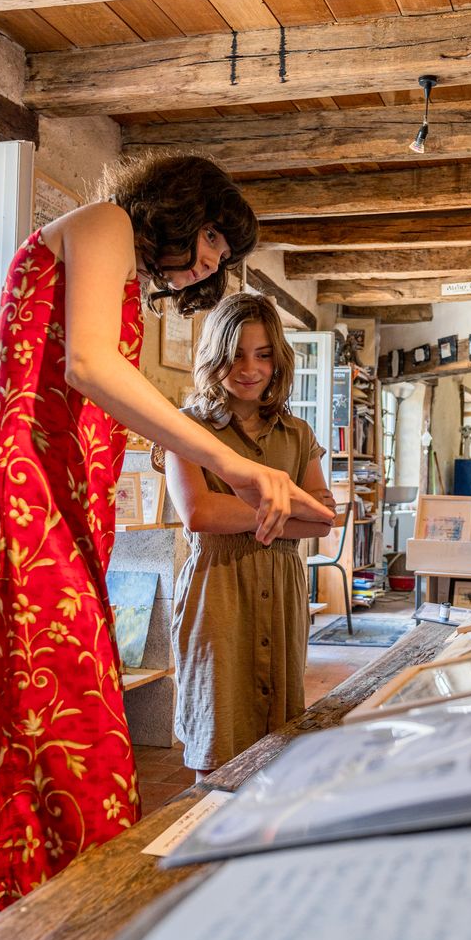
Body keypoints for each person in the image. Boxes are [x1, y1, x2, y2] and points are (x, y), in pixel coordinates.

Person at [0, 156, 332, 940]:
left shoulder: (114, 260)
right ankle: (70, 928)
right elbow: (87, 364)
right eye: (208, 242)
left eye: (218, 260)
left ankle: (21, 927)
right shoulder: (105, 224)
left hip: (49, 503)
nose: (204, 264)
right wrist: (230, 460)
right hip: (19, 499)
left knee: (19, 729)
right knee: (77, 731)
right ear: (182, 205)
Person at [163, 292, 336, 779]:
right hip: (218, 589)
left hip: (282, 590)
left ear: (277, 361)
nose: (249, 368)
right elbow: (199, 512)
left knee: (279, 743)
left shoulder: (297, 433)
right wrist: (283, 507)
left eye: (262, 355)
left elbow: (325, 516)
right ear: (214, 354)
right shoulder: (186, 427)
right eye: (236, 353)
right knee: (217, 742)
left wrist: (248, 509)